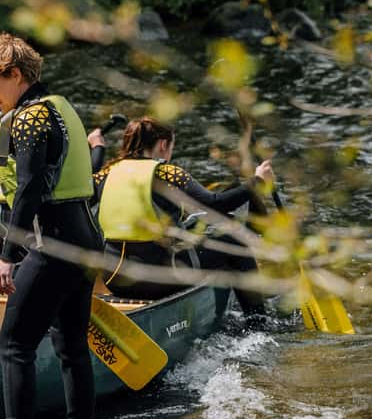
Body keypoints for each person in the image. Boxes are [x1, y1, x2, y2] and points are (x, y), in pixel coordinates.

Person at [0, 32, 104, 419]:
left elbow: (29, 190)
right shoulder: (61, 109)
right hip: (86, 241)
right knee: (72, 348)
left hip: (53, 244)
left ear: (16, 75)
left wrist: (8, 255)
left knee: (15, 347)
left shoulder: (27, 119)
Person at [92, 117, 273, 312]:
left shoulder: (105, 174)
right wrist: (258, 180)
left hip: (114, 279)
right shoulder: (167, 172)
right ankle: (258, 322)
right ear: (163, 145)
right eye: (171, 147)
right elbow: (214, 204)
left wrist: (97, 149)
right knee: (235, 239)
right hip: (159, 280)